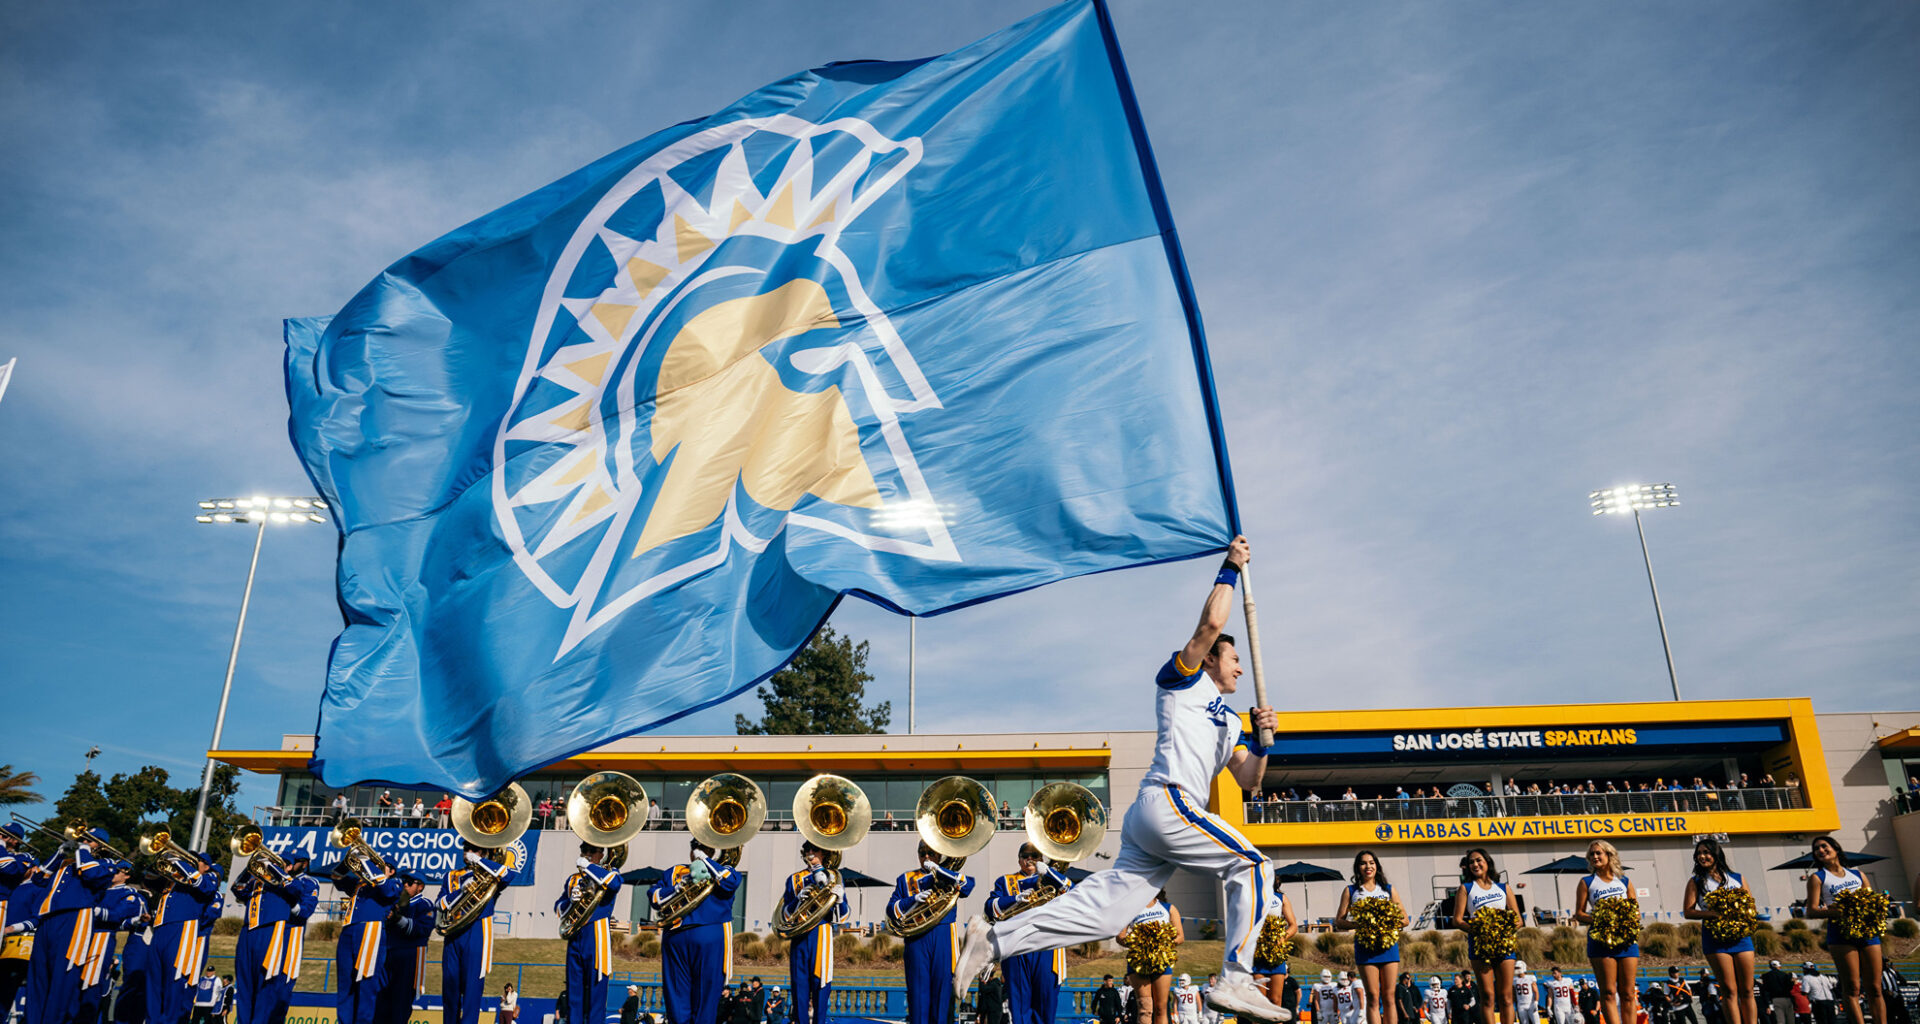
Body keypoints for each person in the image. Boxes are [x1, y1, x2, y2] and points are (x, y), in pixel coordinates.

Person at [955, 537, 1286, 1022]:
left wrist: (1261, 743)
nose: (1240, 666)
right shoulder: (1183, 679)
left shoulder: (1232, 723)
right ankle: (1236, 978)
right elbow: (1211, 625)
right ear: (1210, 659)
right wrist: (1231, 567)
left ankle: (994, 938)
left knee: (1107, 915)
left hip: (1160, 822)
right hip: (1168, 801)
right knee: (1254, 866)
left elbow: (1249, 780)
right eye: (1232, 658)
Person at [888, 842, 976, 1024]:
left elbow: (968, 885)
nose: (926, 857)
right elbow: (891, 909)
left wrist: (939, 871)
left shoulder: (949, 875)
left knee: (942, 994)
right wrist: (912, 900)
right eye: (922, 853)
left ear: (939, 855)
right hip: (917, 938)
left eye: (931, 853)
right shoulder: (905, 878)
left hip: (944, 935)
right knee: (917, 995)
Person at [1802, 836, 1885, 1024]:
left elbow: (1871, 901)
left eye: (1824, 846)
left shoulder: (1858, 875)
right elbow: (1811, 911)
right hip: (1840, 934)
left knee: (1875, 988)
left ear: (1836, 849)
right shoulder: (1818, 878)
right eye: (1816, 849)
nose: (1820, 850)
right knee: (1852, 987)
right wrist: (1839, 911)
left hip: (1867, 931)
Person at [990, 843, 1074, 1024]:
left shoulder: (1053, 878)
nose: (1030, 859)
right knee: (1019, 1006)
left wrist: (1049, 872)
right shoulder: (1005, 881)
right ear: (1019, 859)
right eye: (1025, 856)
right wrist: (1014, 899)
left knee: (1046, 1003)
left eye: (1035, 856)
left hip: (1047, 946)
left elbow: (1072, 890)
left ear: (1042, 859)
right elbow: (990, 908)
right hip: (1016, 947)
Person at [651, 839, 730, 1024]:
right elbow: (654, 896)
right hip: (676, 937)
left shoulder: (723, 870)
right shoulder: (675, 872)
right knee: (676, 1000)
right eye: (697, 848)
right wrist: (676, 889)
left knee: (705, 1001)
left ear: (713, 852)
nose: (700, 852)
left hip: (708, 934)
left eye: (706, 849)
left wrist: (707, 862)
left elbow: (731, 882)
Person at [439, 843, 517, 1024]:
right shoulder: (451, 876)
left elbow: (508, 875)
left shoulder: (490, 875)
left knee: (472, 989)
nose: (468, 853)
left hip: (478, 930)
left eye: (474, 850)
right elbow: (440, 903)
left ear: (483, 852)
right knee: (450, 989)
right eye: (466, 849)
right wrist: (461, 892)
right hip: (453, 932)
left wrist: (480, 861)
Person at [1683, 840, 1756, 1024]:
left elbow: (1750, 905)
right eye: (1699, 853)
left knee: (1748, 989)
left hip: (1741, 938)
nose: (1702, 856)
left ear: (1716, 854)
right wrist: (1713, 914)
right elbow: (1688, 911)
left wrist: (1740, 913)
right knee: (1729, 990)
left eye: (1706, 852)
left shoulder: (1737, 878)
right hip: (1714, 939)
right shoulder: (1696, 881)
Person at [229, 851, 307, 1024]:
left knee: (266, 982)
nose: (272, 865)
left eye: (280, 862)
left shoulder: (291, 882)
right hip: (248, 930)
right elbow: (237, 890)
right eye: (272, 862)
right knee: (244, 984)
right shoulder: (258, 880)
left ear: (289, 867)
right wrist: (249, 868)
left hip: (272, 929)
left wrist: (274, 868)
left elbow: (296, 890)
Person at [779, 842, 846, 1024]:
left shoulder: (833, 876)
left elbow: (842, 916)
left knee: (821, 985)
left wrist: (840, 899)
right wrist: (798, 900)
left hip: (821, 933)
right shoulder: (794, 879)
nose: (810, 853)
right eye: (807, 850)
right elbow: (784, 915)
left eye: (815, 850)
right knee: (799, 986)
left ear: (823, 853)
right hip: (799, 934)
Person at [1573, 841, 1639, 1024]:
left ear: (1609, 855)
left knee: (1628, 993)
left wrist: (1626, 921)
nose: (1595, 857)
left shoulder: (1624, 881)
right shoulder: (1586, 882)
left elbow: (1635, 910)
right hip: (1600, 940)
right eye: (1592, 854)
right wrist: (1602, 920)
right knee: (1608, 991)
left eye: (1598, 853)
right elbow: (1579, 913)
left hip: (1626, 941)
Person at [1334, 852, 1403, 1024]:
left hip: (1388, 947)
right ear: (1358, 867)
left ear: (1377, 866)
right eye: (1363, 863)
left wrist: (1385, 923)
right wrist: (1360, 925)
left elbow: (1405, 919)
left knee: (1389, 996)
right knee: (1372, 996)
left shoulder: (1388, 889)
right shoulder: (1351, 891)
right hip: (1365, 947)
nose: (1368, 867)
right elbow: (1339, 921)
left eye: (1371, 863)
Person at [561, 844, 625, 1024]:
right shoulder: (573, 879)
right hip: (576, 934)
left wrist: (588, 866)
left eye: (591, 852)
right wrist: (571, 902)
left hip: (597, 933)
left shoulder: (609, 872)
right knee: (574, 991)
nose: (586, 855)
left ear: (601, 854)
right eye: (584, 851)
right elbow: (558, 906)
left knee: (597, 992)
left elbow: (615, 884)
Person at [1452, 849, 1517, 1024]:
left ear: (1487, 862)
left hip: (1504, 945)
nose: (1475, 864)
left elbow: (1518, 920)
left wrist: (1503, 931)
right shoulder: (1466, 888)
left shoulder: (1503, 888)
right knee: (1487, 996)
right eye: (1471, 862)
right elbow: (1457, 920)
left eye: (1478, 860)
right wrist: (1480, 931)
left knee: (1506, 996)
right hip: (1479, 945)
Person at [333, 859, 401, 1024]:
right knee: (345, 984)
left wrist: (367, 862)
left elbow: (388, 891)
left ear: (391, 871)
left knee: (367, 984)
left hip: (371, 929)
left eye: (381, 864)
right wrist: (348, 861)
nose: (376, 866)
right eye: (375, 863)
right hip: (348, 929)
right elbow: (336, 877)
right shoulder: (361, 882)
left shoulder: (394, 883)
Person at [77, 862, 144, 1024]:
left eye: (117, 871)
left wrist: (91, 909)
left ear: (127, 875)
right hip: (82, 935)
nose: (112, 873)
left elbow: (117, 916)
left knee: (91, 984)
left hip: (102, 937)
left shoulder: (128, 894)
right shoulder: (99, 888)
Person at [374, 872, 433, 1024]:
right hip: (389, 952)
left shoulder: (424, 904)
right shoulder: (393, 901)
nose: (405, 884)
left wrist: (397, 919)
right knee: (382, 999)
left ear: (420, 887)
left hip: (411, 954)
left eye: (410, 882)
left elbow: (422, 930)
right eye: (404, 880)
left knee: (402, 1000)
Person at [1118, 891, 1182, 1024]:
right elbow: (1120, 937)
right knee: (1144, 1008)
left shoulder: (1168, 908)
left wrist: (1162, 943)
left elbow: (1180, 936)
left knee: (1160, 1008)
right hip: (1139, 961)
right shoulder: (1131, 909)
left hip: (1161, 961)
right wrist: (1137, 943)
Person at [1251, 884, 1298, 1008]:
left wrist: (1282, 938)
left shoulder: (1280, 897)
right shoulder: (1251, 896)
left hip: (1275, 953)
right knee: (1259, 1001)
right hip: (1256, 954)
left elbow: (1293, 925)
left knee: (1275, 1000)